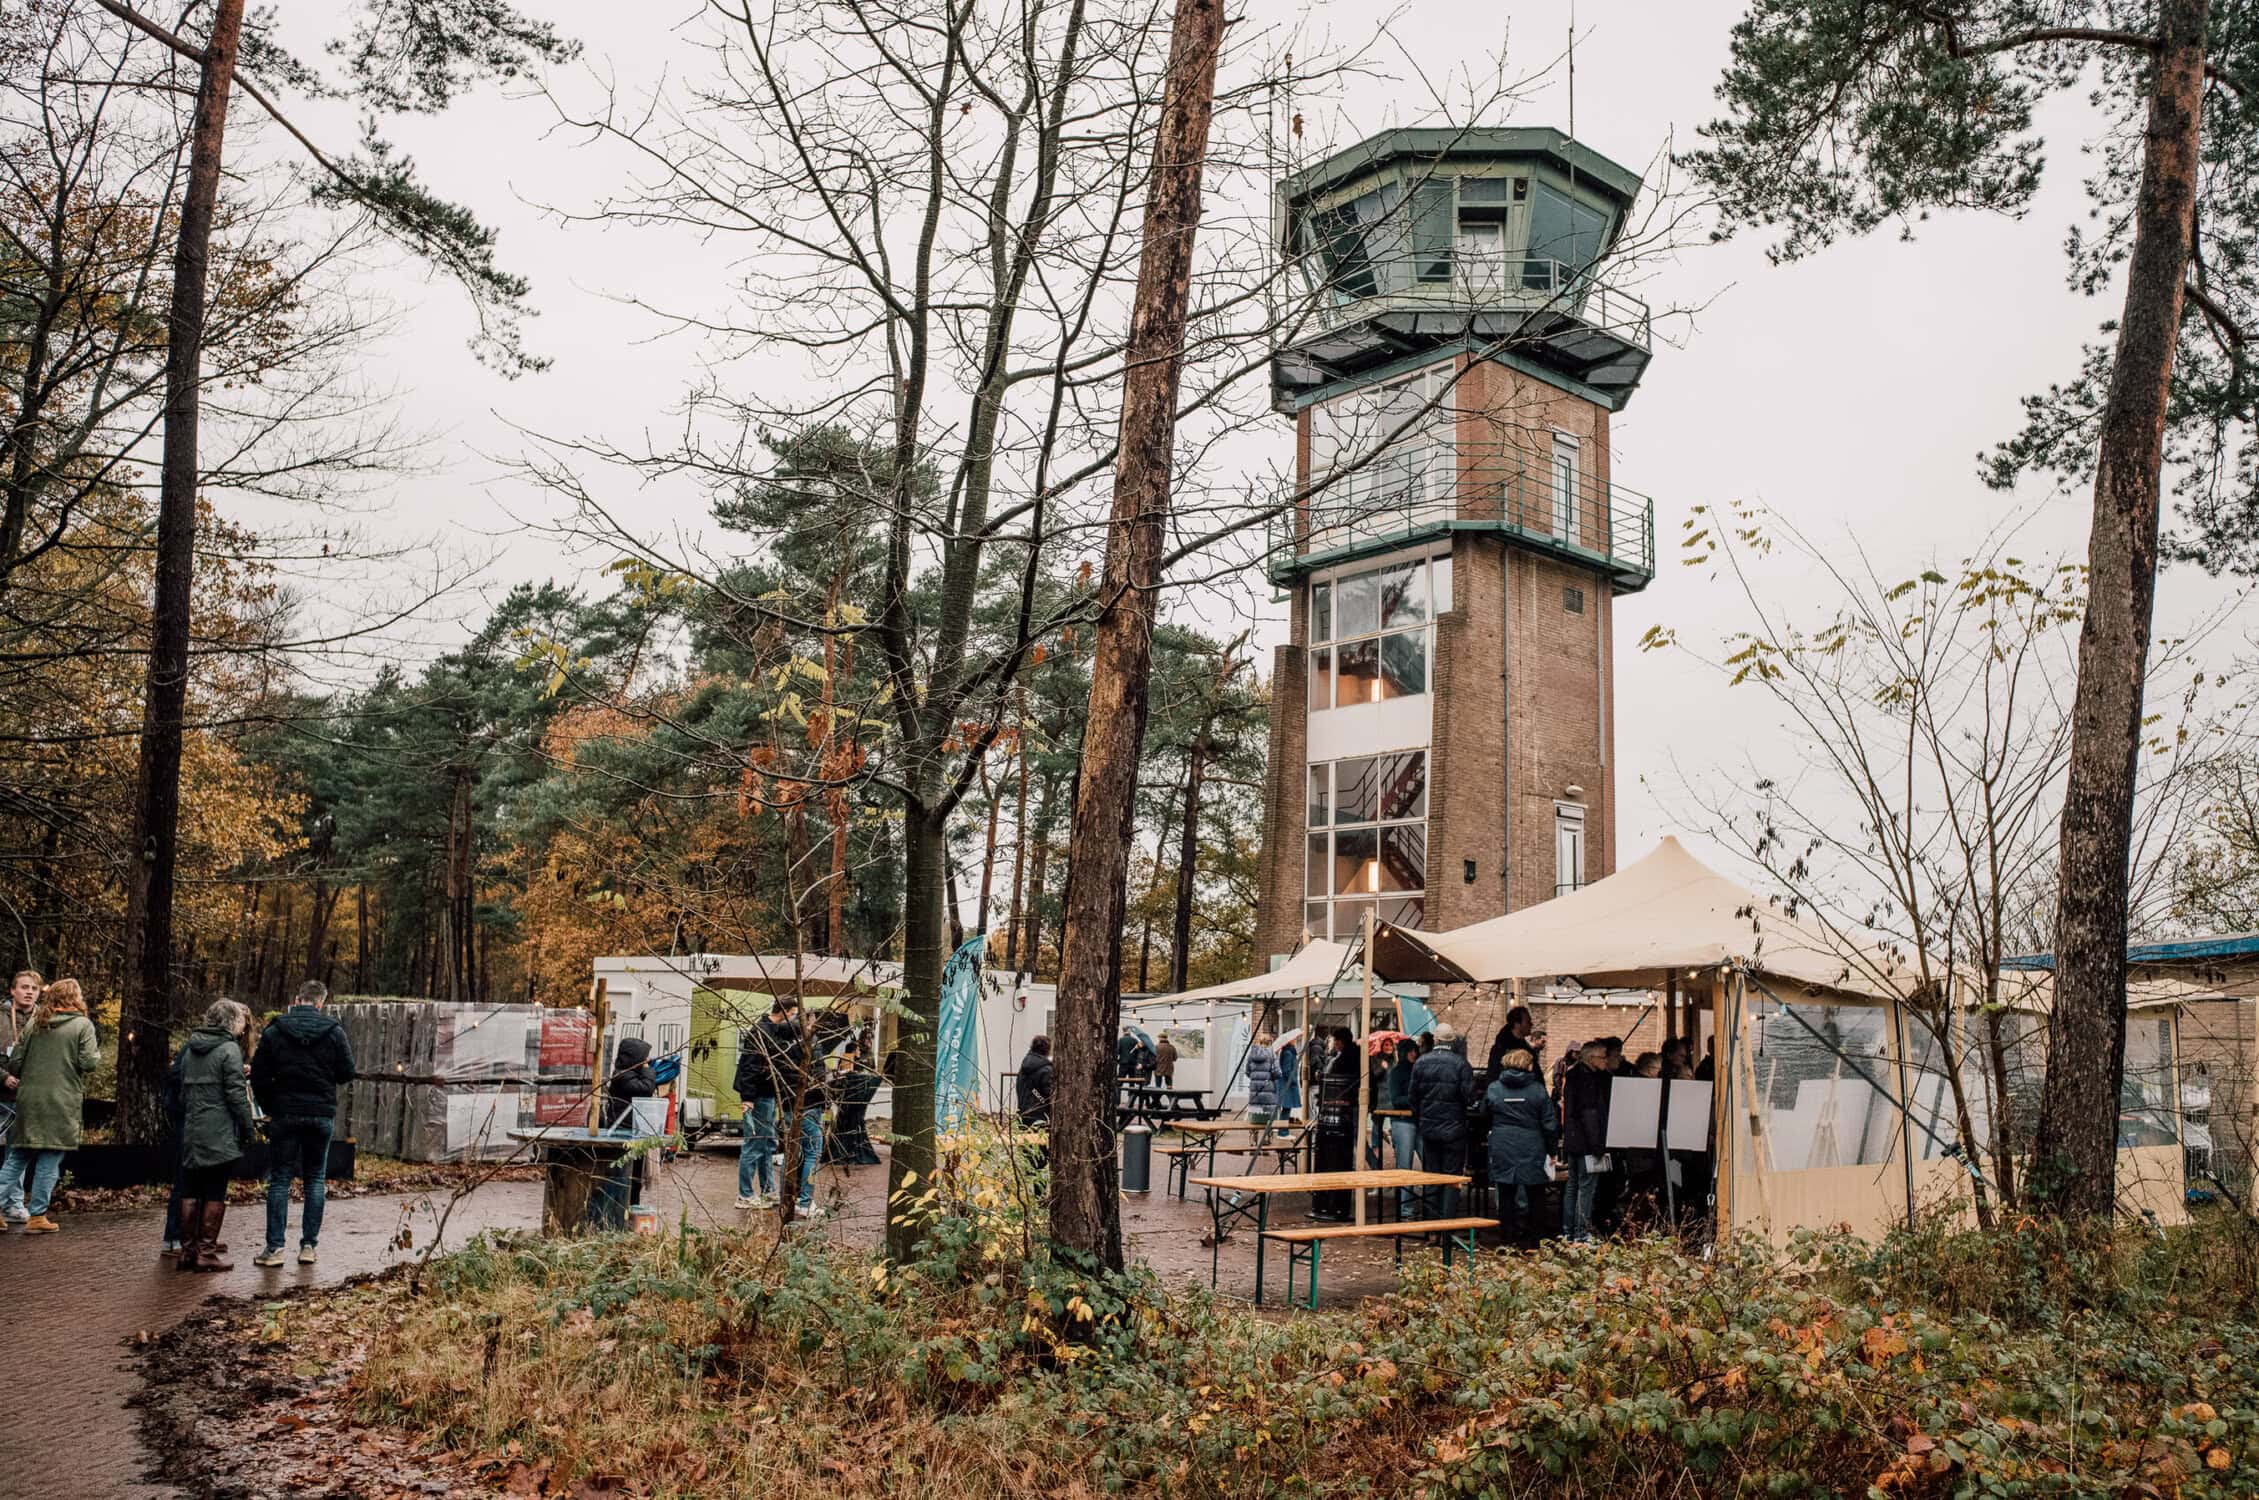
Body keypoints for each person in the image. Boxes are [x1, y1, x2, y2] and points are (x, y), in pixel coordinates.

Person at [249, 980, 356, 1268]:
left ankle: (274, 1249)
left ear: (297, 999)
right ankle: (308, 1246)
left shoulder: (275, 1030)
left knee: (280, 1179)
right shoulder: (334, 1032)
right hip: (320, 1114)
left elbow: (258, 1075)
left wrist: (272, 1106)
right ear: (321, 1002)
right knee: (315, 1179)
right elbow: (347, 1072)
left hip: (285, 1113)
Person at [0, 977, 97, 1234]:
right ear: (74, 998)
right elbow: (88, 1063)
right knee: (50, 1158)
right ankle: (37, 1216)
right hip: (61, 1101)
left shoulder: (34, 1023)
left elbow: (16, 1061)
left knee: (17, 1156)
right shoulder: (82, 1025)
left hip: (29, 1099)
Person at [174, 1000, 255, 1271]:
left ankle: (187, 1251)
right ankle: (206, 1252)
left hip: (193, 1128)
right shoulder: (228, 1049)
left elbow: (182, 1092)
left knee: (190, 1189)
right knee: (215, 1189)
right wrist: (248, 1128)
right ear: (231, 1022)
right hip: (219, 1130)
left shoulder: (190, 1048)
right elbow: (235, 1094)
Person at [1485, 1047, 1559, 1245]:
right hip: (1532, 1145)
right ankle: (1535, 1239)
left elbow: (1484, 1113)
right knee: (1536, 1193)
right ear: (1528, 1065)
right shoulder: (1537, 1089)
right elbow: (1549, 1124)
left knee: (1506, 1191)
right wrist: (1553, 1151)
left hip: (1502, 1143)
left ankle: (1507, 1236)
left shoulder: (1494, 1088)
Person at [734, 996, 800, 1211]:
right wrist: (748, 1098)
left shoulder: (773, 1030)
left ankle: (768, 1190)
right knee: (754, 1144)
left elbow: (790, 1033)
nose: (793, 1019)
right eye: (792, 1015)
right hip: (759, 1095)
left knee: (767, 1143)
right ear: (784, 1012)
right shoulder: (761, 1032)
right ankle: (745, 1194)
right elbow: (750, 1066)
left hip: (769, 1094)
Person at [1409, 1022, 1477, 1220]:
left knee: (1431, 1175)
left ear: (1436, 1039)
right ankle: (1447, 1224)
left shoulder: (1421, 1062)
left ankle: (1431, 1223)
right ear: (1452, 1041)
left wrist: (1422, 1116)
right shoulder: (1461, 1064)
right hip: (1454, 1128)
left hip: (1429, 1128)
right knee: (1451, 1177)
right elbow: (1469, 1097)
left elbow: (1413, 1097)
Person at [1559, 1041, 1613, 1242]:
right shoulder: (1589, 1081)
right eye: (1602, 1057)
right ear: (1591, 1058)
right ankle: (1581, 1233)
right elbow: (1590, 1115)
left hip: (1573, 1141)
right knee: (1586, 1189)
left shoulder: (1572, 1076)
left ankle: (1568, 1231)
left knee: (1572, 1187)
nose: (1605, 1060)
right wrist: (1598, 1145)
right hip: (1588, 1143)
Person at [1310, 1028, 1359, 1221]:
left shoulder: (1346, 1059)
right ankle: (1332, 1203)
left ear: (1340, 1041)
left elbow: (1341, 1081)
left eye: (1335, 1041)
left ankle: (1332, 1204)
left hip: (1340, 1116)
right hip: (1339, 1116)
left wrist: (1322, 1078)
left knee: (1339, 1157)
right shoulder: (1349, 1056)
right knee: (1341, 1155)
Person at [0, 970, 40, 1143]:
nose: (30, 992)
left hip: (30, 1098)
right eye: (24, 987)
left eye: (34, 988)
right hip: (1, 1096)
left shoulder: (46, 1020)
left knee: (16, 1155)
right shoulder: (0, 1017)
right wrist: (3, 1076)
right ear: (12, 990)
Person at [1383, 1037, 1421, 1217]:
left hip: (1413, 1121)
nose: (1414, 1053)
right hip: (1404, 1121)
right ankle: (1406, 1209)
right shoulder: (1398, 1072)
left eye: (1415, 1050)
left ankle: (1410, 1208)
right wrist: (1415, 1101)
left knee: (1414, 1164)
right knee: (1405, 1166)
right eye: (1411, 1051)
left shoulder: (1415, 1070)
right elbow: (1395, 1099)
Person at [830, 1044, 882, 1167]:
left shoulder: (851, 1061)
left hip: (847, 1103)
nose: (859, 1051)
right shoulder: (849, 1061)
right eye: (858, 1049)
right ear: (854, 1051)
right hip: (852, 1103)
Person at [1015, 1035, 1055, 1136]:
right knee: (1041, 1147)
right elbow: (1049, 1094)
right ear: (1047, 1050)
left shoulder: (1024, 1067)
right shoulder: (1046, 1070)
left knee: (1026, 1145)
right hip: (1039, 1115)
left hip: (1023, 1112)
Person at [1244, 1031, 1281, 1126]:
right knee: (1269, 1118)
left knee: (1255, 1116)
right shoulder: (1272, 1054)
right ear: (1270, 1042)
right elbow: (1277, 1072)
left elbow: (1247, 1071)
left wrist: (1255, 1078)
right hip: (1268, 1090)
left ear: (1259, 1042)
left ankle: (1254, 1135)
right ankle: (1268, 1135)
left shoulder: (1251, 1054)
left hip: (1255, 1090)